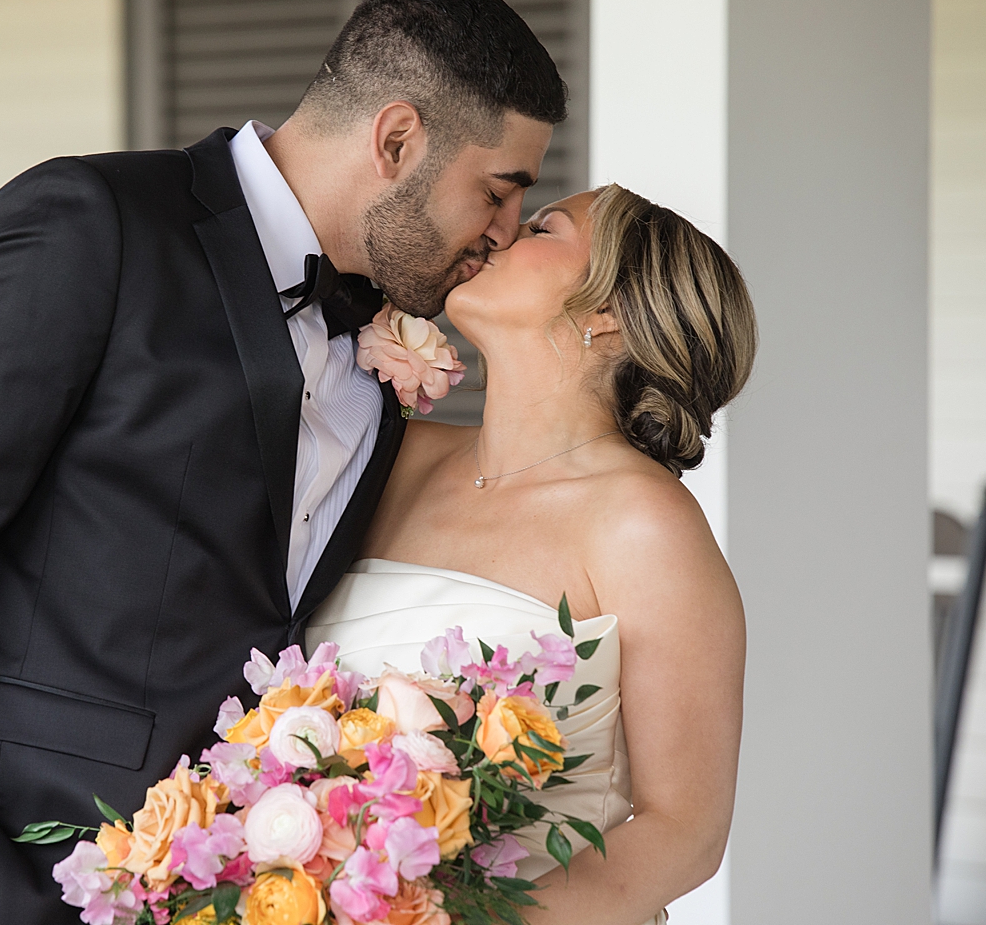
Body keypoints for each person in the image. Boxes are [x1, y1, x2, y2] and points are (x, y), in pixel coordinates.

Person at [0, 0, 565, 925]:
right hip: (2, 875)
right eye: (498, 194)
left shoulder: (379, 332)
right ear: (397, 139)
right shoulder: (90, 222)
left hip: (230, 885)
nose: (502, 235)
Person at [308, 185, 757, 923]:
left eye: (544, 226)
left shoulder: (644, 525)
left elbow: (687, 830)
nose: (497, 234)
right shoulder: (389, 456)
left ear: (608, 313)